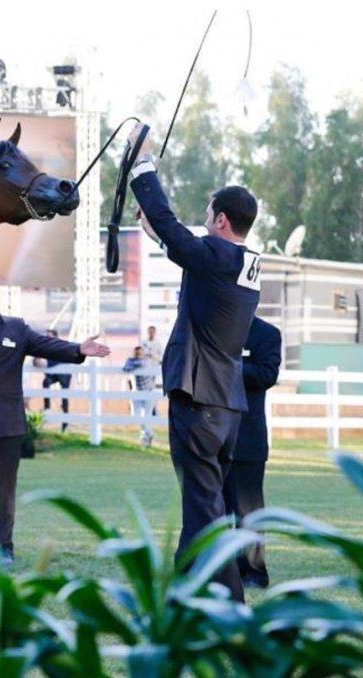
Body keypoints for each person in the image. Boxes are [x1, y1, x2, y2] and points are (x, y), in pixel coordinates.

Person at [127, 122, 261, 602]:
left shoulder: (217, 257)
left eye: (208, 211)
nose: (204, 217)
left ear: (222, 220)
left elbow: (170, 224)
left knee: (204, 508)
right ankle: (183, 593)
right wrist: (158, 235)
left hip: (200, 401)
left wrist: (143, 164)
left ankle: (231, 605)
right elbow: (191, 256)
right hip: (226, 408)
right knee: (202, 504)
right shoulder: (244, 265)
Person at [0, 265, 110, 563]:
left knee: (2, 495)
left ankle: (3, 550)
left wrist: (78, 349)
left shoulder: (15, 327)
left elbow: (46, 345)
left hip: (4, 427)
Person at [222, 317, 281, 589]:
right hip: (210, 437)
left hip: (247, 439)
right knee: (212, 511)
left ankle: (253, 573)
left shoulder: (266, 334)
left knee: (249, 513)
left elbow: (267, 375)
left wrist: (225, 365)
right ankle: (218, 572)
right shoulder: (212, 327)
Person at [33, 329, 71, 432]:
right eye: (47, 336)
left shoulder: (60, 346)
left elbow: (60, 360)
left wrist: (47, 364)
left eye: (50, 337)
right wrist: (36, 360)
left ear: (55, 337)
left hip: (64, 374)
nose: (48, 338)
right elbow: (36, 359)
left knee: (64, 397)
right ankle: (47, 407)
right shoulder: (44, 347)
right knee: (46, 382)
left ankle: (65, 424)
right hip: (53, 374)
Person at [122, 345, 156, 446]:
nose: (139, 355)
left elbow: (142, 363)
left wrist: (134, 364)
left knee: (146, 416)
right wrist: (134, 364)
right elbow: (126, 369)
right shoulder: (131, 360)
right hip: (136, 392)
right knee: (135, 415)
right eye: (137, 353)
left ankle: (145, 436)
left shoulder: (147, 361)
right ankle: (149, 433)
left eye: (141, 353)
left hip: (148, 392)